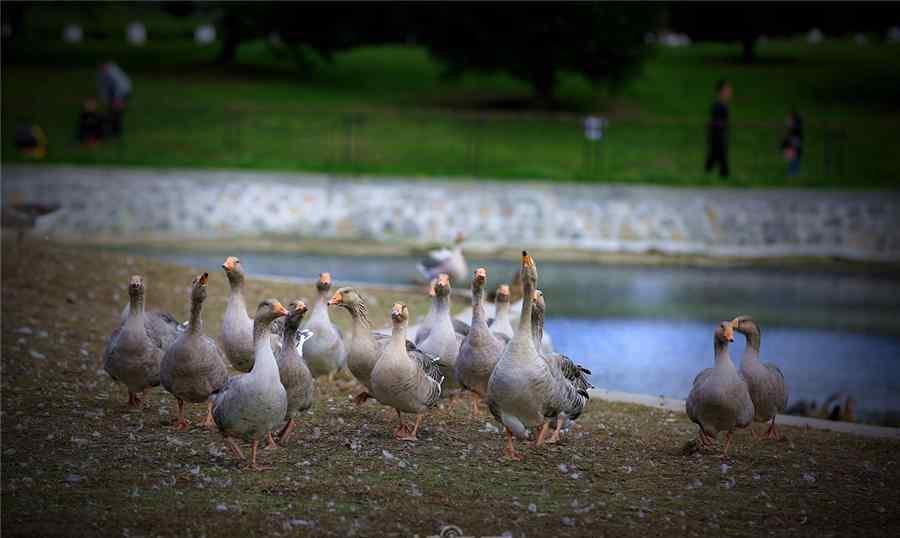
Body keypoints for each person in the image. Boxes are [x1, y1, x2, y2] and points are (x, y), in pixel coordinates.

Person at [704, 79, 732, 178]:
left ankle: (707, 174)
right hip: (718, 137)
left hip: (720, 136)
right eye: (727, 90)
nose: (729, 92)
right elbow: (714, 123)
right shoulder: (718, 106)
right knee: (720, 158)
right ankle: (723, 176)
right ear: (720, 92)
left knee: (714, 158)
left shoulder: (722, 105)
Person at [97, 61, 132, 137]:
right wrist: (105, 100)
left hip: (123, 91)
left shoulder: (113, 73)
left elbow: (120, 86)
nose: (102, 70)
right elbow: (102, 88)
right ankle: (110, 130)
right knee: (110, 111)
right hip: (112, 92)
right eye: (100, 68)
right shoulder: (101, 74)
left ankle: (117, 132)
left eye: (103, 68)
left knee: (118, 111)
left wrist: (118, 100)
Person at [781, 109, 803, 177]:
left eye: (789, 119)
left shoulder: (795, 129)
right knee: (793, 157)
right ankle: (793, 171)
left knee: (794, 157)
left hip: (793, 147)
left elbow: (795, 140)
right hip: (793, 146)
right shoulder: (793, 128)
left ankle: (793, 172)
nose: (787, 120)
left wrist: (790, 147)